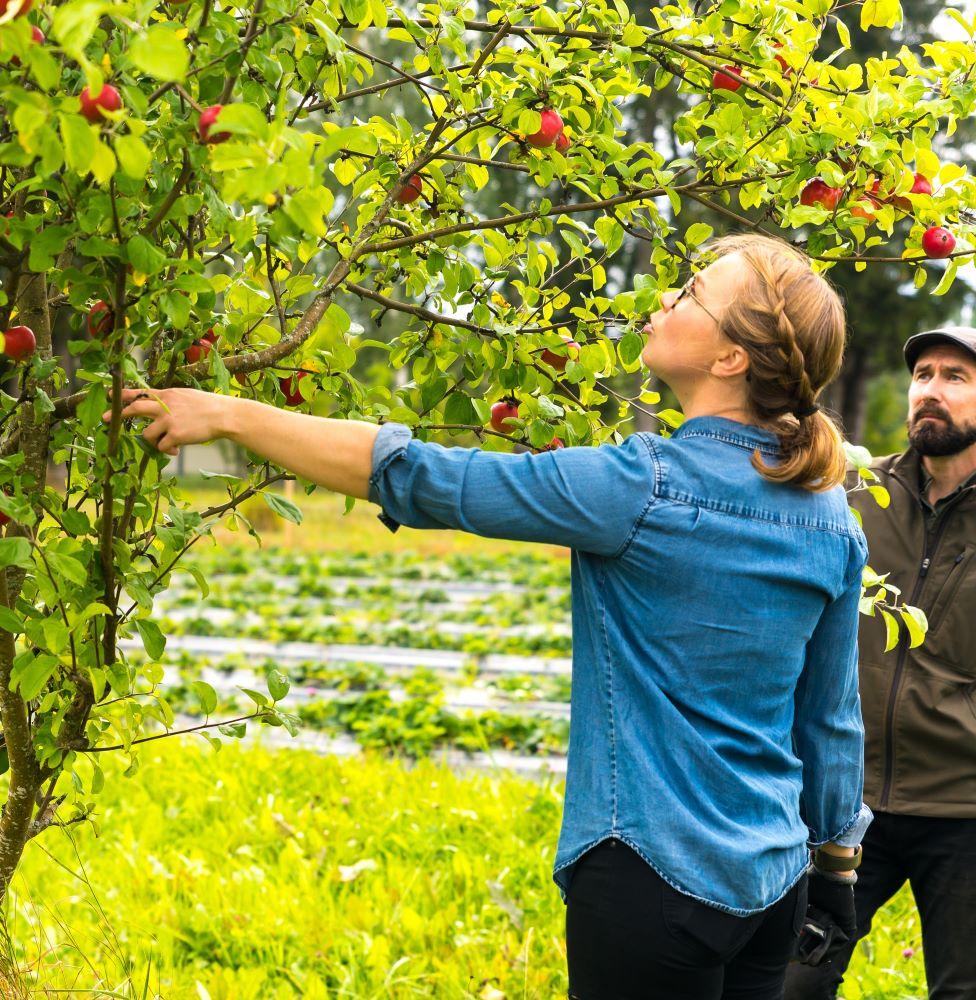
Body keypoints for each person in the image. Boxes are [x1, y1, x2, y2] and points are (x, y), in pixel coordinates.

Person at [104, 234, 872, 1000]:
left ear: (731, 359)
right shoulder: (828, 515)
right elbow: (830, 720)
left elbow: (424, 478)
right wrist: (836, 872)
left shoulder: (641, 486)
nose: (667, 298)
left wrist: (231, 416)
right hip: (772, 882)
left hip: (651, 875)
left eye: (694, 292)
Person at [784, 326, 976, 1000]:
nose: (930, 390)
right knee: (796, 981)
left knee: (961, 991)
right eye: (924, 374)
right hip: (846, 799)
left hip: (970, 809)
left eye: (956, 377)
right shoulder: (853, 494)